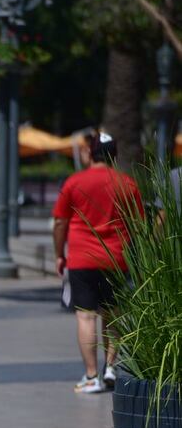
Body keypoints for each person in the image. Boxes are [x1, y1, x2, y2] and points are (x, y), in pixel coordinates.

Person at [52, 131, 142, 393]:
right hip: (117, 258)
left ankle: (92, 376)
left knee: (86, 316)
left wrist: (60, 254)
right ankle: (111, 367)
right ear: (114, 155)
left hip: (81, 258)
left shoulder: (74, 182)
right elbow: (138, 224)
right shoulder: (128, 184)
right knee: (112, 314)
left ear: (90, 154)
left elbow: (60, 222)